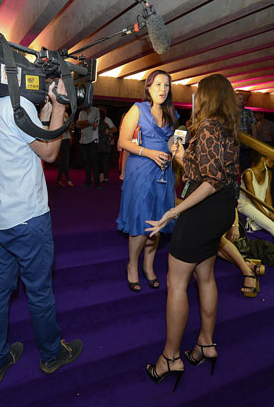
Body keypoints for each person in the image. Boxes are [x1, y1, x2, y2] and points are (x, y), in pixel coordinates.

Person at [0, 79, 82, 385]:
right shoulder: (18, 106)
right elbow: (49, 152)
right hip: (27, 216)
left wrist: (49, 108)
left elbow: (23, 135)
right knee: (39, 290)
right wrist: (62, 106)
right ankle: (52, 354)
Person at [144, 74, 240, 391]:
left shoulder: (210, 127)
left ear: (209, 97)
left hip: (202, 211)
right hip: (221, 210)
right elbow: (205, 172)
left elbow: (209, 182)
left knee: (176, 283)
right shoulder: (226, 129)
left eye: (199, 94)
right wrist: (181, 155)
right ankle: (205, 344)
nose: (195, 98)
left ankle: (171, 357)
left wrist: (175, 210)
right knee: (206, 275)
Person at [117, 70, 178, 293]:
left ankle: (148, 265)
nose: (163, 89)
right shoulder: (138, 109)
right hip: (141, 171)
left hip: (164, 173)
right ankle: (132, 266)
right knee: (141, 222)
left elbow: (172, 143)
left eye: (167, 85)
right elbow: (124, 141)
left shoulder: (172, 114)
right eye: (158, 84)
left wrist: (177, 150)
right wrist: (149, 153)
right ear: (149, 88)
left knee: (158, 220)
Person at [76, 104, 102, 188]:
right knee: (86, 162)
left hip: (93, 139)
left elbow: (88, 123)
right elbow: (78, 125)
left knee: (95, 162)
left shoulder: (95, 110)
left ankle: (97, 182)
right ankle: (88, 181)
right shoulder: (81, 112)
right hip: (83, 140)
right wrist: (89, 123)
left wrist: (84, 123)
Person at [237, 91, 257, 172]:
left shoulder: (249, 112)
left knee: (246, 166)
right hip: (234, 143)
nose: (242, 101)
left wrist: (254, 140)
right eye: (240, 99)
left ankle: (245, 182)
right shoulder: (230, 112)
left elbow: (253, 126)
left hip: (246, 144)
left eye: (243, 99)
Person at [97, 107, 117, 183]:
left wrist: (109, 131)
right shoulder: (97, 120)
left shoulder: (107, 120)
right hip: (101, 143)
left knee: (104, 161)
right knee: (101, 161)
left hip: (104, 143)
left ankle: (104, 176)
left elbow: (115, 129)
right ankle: (101, 176)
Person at [57, 111, 73, 187]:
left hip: (67, 138)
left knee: (65, 160)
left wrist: (69, 127)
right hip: (60, 138)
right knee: (64, 160)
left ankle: (60, 179)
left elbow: (70, 127)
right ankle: (67, 179)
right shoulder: (57, 113)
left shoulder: (66, 113)